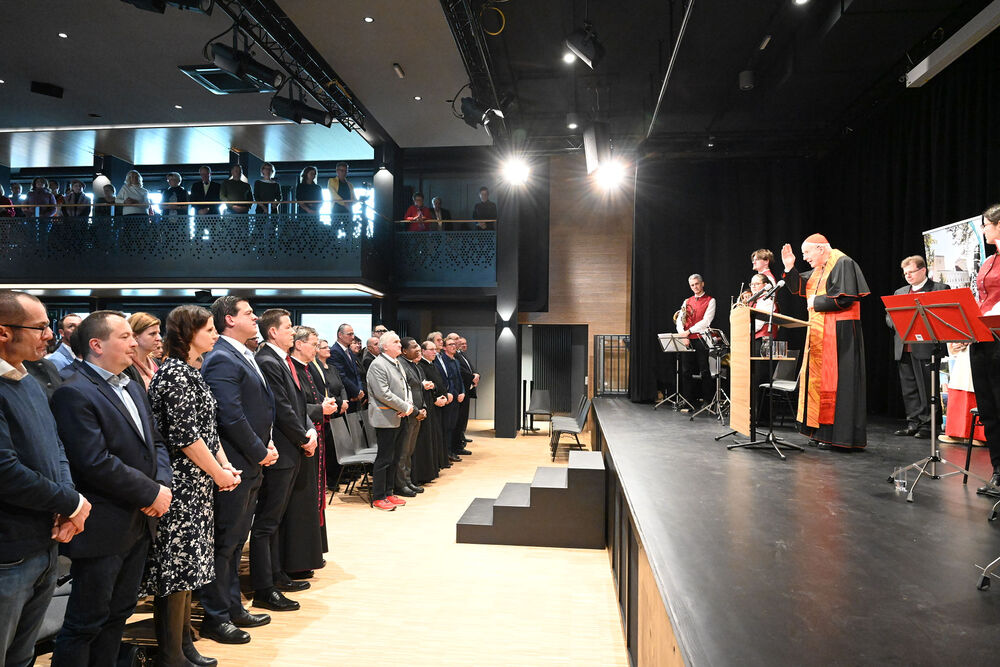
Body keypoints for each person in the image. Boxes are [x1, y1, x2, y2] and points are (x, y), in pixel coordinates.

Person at [50, 311, 172, 667]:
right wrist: (150, 493)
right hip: (103, 523)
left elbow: (155, 442)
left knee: (119, 614)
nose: (135, 343)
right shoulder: (73, 389)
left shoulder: (130, 383)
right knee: (86, 622)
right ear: (97, 344)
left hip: (139, 520)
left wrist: (162, 486)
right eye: (125, 337)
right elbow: (94, 461)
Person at [145, 305, 241, 667]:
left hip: (198, 483)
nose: (215, 334)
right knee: (176, 568)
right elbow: (186, 437)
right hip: (181, 484)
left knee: (191, 567)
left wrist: (224, 465)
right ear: (187, 333)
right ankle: (171, 655)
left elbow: (208, 430)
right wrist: (218, 473)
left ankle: (185, 646)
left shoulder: (191, 371)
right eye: (209, 329)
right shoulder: (174, 374)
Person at [0, 290, 90, 667]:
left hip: (44, 543)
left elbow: (56, 447)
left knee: (22, 656)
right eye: (39, 327)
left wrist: (68, 501)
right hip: (8, 552)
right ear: (4, 332)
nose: (50, 335)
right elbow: (5, 471)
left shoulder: (29, 380)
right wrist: (71, 502)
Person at [199, 296, 277, 645]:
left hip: (250, 461)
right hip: (234, 463)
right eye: (248, 313)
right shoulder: (220, 358)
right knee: (224, 542)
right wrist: (259, 451)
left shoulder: (241, 354)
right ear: (229, 319)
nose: (255, 317)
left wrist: (267, 444)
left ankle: (232, 607)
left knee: (234, 542)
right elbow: (229, 416)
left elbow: (258, 409)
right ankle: (215, 617)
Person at [251, 308, 315, 612]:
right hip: (281, 449)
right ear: (273, 331)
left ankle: (277, 574)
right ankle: (264, 587)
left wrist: (309, 430)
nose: (293, 331)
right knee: (267, 521)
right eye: (288, 327)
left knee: (275, 520)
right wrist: (303, 437)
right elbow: (281, 408)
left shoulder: (282, 360)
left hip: (291, 448)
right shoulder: (267, 360)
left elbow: (298, 403)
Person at [781, 234, 870, 450]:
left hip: (839, 332)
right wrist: (790, 267)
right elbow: (801, 286)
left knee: (838, 383)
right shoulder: (820, 269)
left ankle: (839, 437)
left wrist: (816, 301)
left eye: (807, 253)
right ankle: (820, 432)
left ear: (820, 249)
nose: (805, 258)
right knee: (819, 383)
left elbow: (846, 297)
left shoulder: (843, 262)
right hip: (822, 331)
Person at [282, 326, 336, 576]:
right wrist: (319, 409)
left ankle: (312, 553)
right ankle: (300, 559)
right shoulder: (289, 367)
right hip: (300, 440)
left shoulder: (306, 368)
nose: (317, 349)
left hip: (314, 435)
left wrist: (323, 406)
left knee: (314, 497)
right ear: (299, 344)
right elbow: (295, 407)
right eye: (314, 344)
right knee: (302, 500)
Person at [886, 255, 950, 438]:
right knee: (909, 389)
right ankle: (913, 423)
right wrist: (898, 323)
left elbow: (944, 315)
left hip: (927, 347)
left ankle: (929, 425)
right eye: (905, 273)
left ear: (923, 270)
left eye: (911, 272)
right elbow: (889, 316)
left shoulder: (939, 289)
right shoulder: (900, 292)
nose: (908, 276)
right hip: (904, 346)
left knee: (927, 388)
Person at [366, 331, 414, 511]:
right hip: (385, 417)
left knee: (395, 457)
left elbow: (406, 387)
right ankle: (379, 496)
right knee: (384, 458)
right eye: (396, 342)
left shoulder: (396, 362)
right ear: (385, 346)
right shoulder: (378, 365)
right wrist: (404, 407)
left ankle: (388, 492)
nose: (400, 344)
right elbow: (383, 393)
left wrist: (408, 404)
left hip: (399, 415)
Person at [971, 206, 1000, 496]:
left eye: (986, 224)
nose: (983, 229)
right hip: (982, 340)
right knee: (989, 410)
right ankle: (998, 471)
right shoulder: (989, 260)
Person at [310, 339, 350, 490]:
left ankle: (338, 476)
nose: (328, 349)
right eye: (324, 347)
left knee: (338, 445)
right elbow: (326, 391)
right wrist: (339, 402)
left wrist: (344, 400)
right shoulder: (313, 367)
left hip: (337, 408)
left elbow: (341, 386)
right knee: (330, 447)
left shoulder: (331, 368)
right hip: (329, 408)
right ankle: (331, 480)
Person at [675, 273, 715, 410]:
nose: (695, 287)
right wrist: (683, 335)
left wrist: (689, 331)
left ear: (702, 284)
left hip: (701, 339)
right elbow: (680, 319)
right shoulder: (687, 301)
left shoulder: (710, 300)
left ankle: (707, 401)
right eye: (692, 285)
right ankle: (688, 400)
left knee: (704, 370)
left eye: (697, 284)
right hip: (687, 339)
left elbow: (706, 321)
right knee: (686, 371)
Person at [395, 337, 429, 497]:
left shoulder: (414, 365)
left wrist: (424, 408)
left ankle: (408, 481)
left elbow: (419, 389)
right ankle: (401, 484)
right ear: (404, 351)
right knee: (403, 451)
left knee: (410, 451)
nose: (418, 349)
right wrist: (416, 411)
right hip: (408, 414)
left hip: (417, 413)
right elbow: (404, 392)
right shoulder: (401, 365)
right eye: (414, 347)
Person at [415, 340, 450, 479]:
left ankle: (439, 463)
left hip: (437, 402)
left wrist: (443, 395)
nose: (435, 352)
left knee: (438, 434)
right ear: (423, 351)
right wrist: (435, 398)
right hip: (429, 404)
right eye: (431, 349)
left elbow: (438, 383)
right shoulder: (421, 366)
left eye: (435, 349)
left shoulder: (432, 364)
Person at [436, 334, 466, 460]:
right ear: (444, 348)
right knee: (447, 426)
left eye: (454, 344)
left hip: (457, 397)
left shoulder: (456, 361)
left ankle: (451, 450)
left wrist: (462, 392)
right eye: (450, 344)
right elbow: (447, 380)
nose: (453, 346)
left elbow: (459, 379)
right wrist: (451, 393)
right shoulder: (443, 361)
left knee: (454, 425)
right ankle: (446, 452)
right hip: (449, 397)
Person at [125, 312, 162, 391]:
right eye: (153, 334)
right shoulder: (125, 366)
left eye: (158, 333)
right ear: (134, 336)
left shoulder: (156, 362)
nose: (159, 338)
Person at [455, 335, 479, 446]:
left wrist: (476, 375)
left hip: (467, 388)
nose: (464, 345)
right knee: (460, 417)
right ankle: (459, 439)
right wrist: (472, 377)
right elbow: (462, 371)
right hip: (461, 389)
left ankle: (461, 435)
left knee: (464, 416)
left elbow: (470, 368)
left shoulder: (462, 355)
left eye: (465, 343)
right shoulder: (455, 356)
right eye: (462, 343)